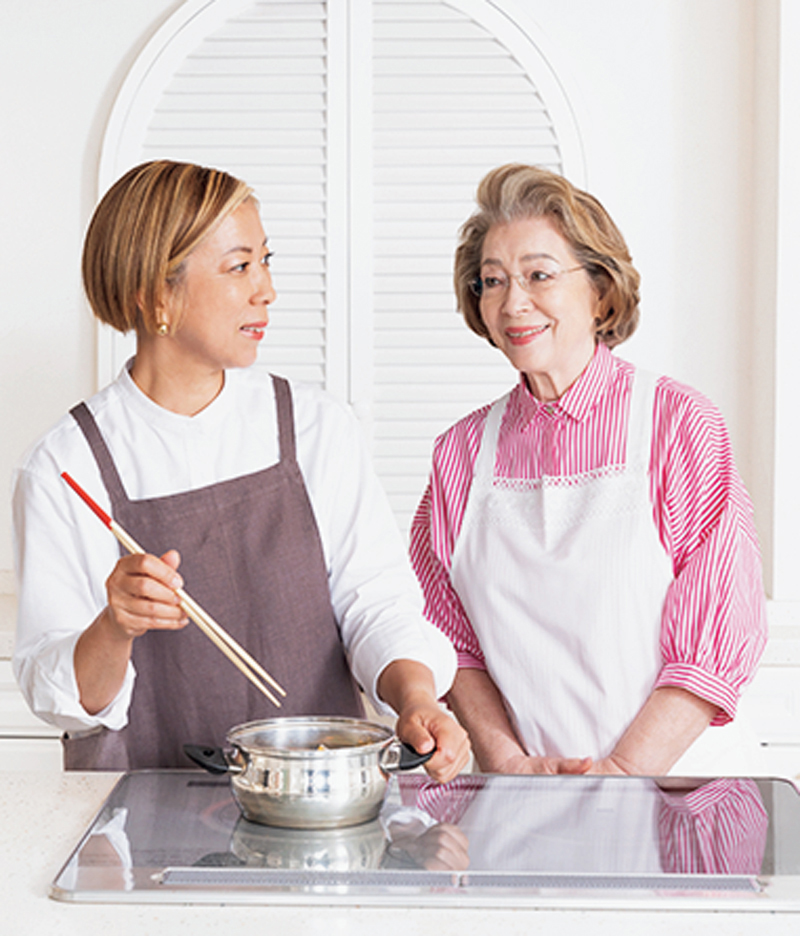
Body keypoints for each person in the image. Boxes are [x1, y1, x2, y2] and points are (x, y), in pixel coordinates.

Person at [13, 159, 469, 779]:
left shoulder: (313, 425)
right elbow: (63, 700)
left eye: (265, 260)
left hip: (314, 806)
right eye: (239, 266)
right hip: (137, 830)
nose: (267, 289)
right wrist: (115, 625)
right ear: (155, 295)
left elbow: (376, 602)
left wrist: (417, 699)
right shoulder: (68, 466)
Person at [410, 164, 767, 776]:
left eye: (538, 275)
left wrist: (623, 774)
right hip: (526, 803)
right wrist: (511, 763)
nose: (512, 302)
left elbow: (717, 632)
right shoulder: (460, 454)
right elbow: (448, 640)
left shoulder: (677, 424)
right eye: (491, 281)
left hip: (676, 793)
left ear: (600, 289)